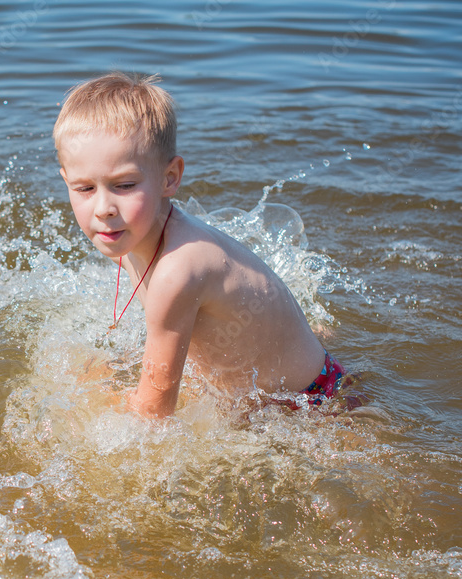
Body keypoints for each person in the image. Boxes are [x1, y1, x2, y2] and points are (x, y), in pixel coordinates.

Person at [54, 72, 346, 418]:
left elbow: (153, 415)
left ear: (170, 178)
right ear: (66, 180)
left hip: (308, 405)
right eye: (84, 188)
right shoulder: (130, 233)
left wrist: (82, 403)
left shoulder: (177, 269)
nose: (103, 208)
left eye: (125, 185)